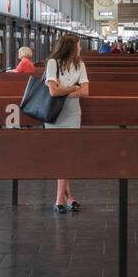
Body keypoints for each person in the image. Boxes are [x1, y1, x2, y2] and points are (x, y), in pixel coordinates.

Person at [45, 33, 89, 213]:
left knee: (67, 156)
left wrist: (64, 90)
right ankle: (63, 199)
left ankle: (62, 200)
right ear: (71, 47)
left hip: (72, 114)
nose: (80, 48)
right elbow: (53, 93)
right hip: (55, 115)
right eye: (78, 46)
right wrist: (73, 88)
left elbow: (85, 91)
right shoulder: (52, 64)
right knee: (60, 157)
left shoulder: (81, 65)